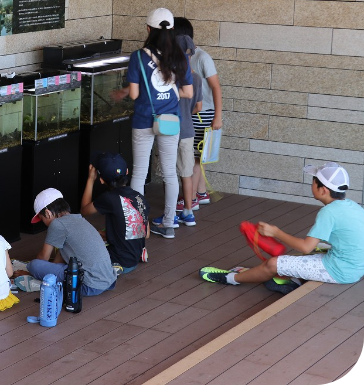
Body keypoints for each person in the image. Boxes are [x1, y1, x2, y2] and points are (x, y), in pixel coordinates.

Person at [200, 162, 364, 294]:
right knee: (315, 249)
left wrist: (276, 232)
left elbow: (306, 247)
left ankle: (232, 278)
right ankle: (291, 280)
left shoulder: (328, 212)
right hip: (355, 267)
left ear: (323, 190)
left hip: (340, 271)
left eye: (313, 181)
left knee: (272, 264)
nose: (311, 184)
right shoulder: (353, 206)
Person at [127, 8, 193, 239]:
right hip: (170, 121)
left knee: (139, 172)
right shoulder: (180, 56)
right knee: (169, 174)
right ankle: (168, 224)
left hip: (144, 119)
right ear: (173, 29)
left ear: (148, 29)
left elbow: (134, 95)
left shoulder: (138, 57)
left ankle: (137, 225)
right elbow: (188, 91)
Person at [27, 188, 117, 295]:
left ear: (48, 213)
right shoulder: (78, 219)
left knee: (34, 265)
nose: (44, 223)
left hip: (88, 285)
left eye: (42, 219)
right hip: (108, 281)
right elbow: (61, 254)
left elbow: (43, 258)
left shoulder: (57, 224)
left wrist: (30, 271)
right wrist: (51, 267)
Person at [173, 17, 223, 208]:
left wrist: (218, 116)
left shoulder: (201, 57)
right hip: (194, 113)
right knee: (196, 158)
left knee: (193, 159)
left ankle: (190, 200)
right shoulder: (181, 57)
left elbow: (216, 87)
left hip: (203, 114)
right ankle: (201, 193)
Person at [80, 153, 149, 275]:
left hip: (119, 260)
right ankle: (140, 251)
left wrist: (90, 179)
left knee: (79, 236)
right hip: (133, 256)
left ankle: (112, 265)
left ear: (101, 180)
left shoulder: (109, 198)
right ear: (127, 171)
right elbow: (146, 234)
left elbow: (84, 211)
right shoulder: (139, 197)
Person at [153, 70, 203, 228]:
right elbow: (198, 107)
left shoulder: (165, 76)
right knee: (186, 174)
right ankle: (188, 212)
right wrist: (186, 115)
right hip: (187, 130)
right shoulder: (196, 78)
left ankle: (171, 214)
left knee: (168, 173)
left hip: (168, 128)